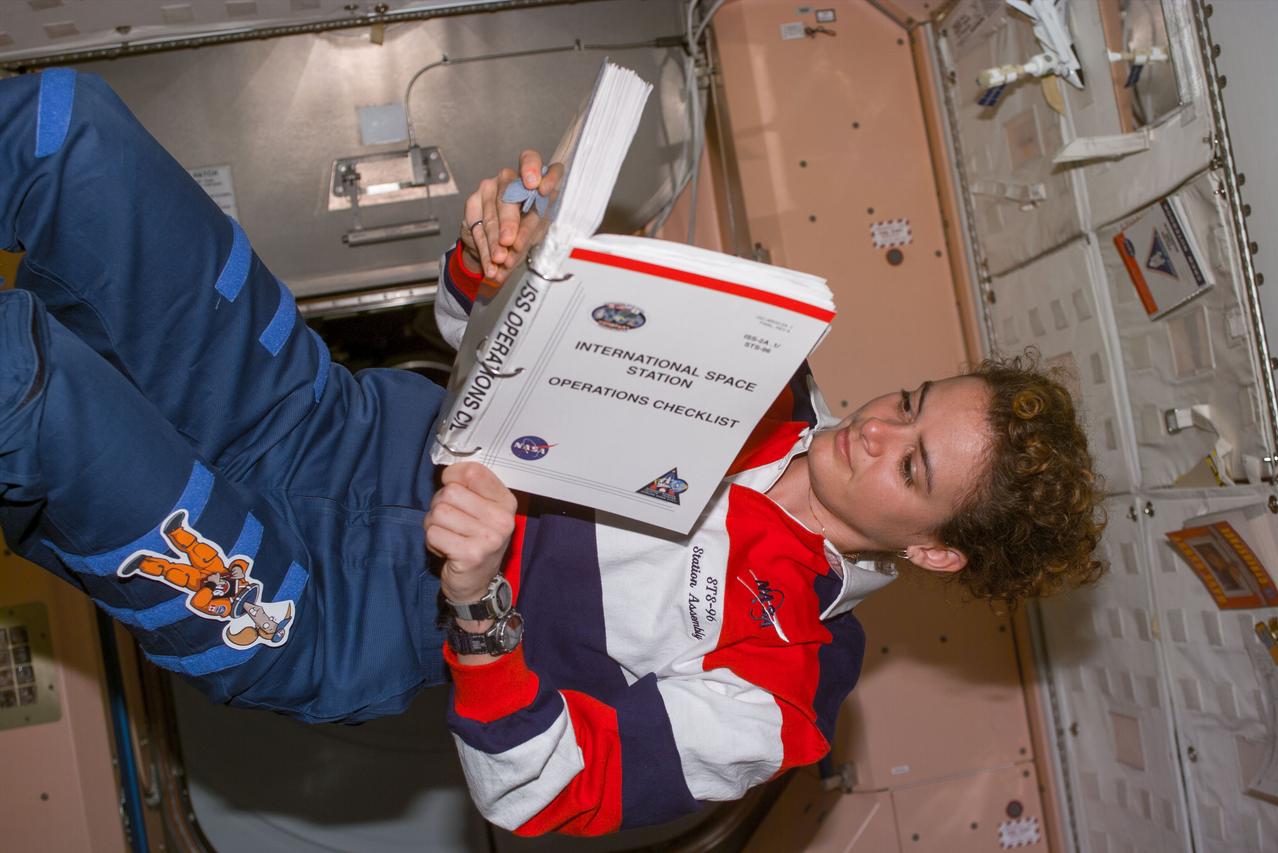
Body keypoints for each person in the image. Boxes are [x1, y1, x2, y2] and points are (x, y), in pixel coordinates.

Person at [0, 69, 1105, 836]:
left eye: (912, 467)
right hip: (321, 418)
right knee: (66, 133)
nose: (876, 429)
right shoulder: (754, 369)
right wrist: (496, 263)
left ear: (936, 551)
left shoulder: (789, 684)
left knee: (30, 386)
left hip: (331, 611)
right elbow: (477, 336)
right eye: (911, 402)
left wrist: (479, 599)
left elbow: (539, 788)